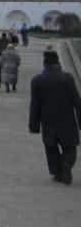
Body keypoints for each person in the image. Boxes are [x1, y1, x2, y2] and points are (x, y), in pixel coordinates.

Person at [29, 49, 81, 185]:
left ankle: (58, 172)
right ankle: (66, 166)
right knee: (70, 149)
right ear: (58, 62)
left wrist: (33, 125)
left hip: (48, 122)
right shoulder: (67, 78)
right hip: (67, 121)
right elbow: (77, 101)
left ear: (44, 63)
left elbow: (35, 105)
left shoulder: (37, 80)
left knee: (51, 149)